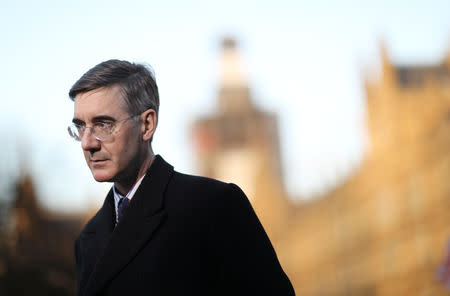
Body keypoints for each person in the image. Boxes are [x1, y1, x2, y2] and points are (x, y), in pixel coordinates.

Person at [69, 59, 294, 296]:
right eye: (80, 127)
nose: (87, 143)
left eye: (103, 125)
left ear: (147, 124)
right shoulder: (87, 239)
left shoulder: (214, 205)